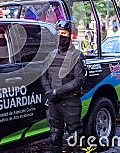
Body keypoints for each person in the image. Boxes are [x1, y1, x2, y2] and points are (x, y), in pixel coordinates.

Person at [41, 20, 86, 153]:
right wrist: (49, 92)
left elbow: (78, 81)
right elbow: (43, 76)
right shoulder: (51, 55)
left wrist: (56, 92)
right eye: (59, 33)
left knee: (76, 137)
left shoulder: (77, 56)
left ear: (71, 36)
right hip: (54, 103)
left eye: (64, 33)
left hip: (70, 102)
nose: (61, 36)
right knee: (55, 135)